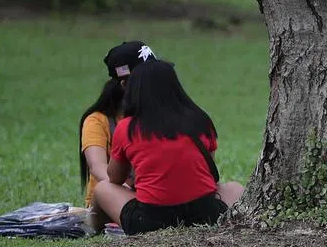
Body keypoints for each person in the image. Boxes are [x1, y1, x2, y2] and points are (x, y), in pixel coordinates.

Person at [89, 60, 244, 235]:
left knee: (102, 188)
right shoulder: (201, 120)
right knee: (234, 188)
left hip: (149, 222)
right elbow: (210, 175)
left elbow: (114, 178)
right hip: (206, 214)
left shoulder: (127, 127)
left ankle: (94, 230)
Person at [78, 40, 156, 206]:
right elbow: (97, 166)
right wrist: (128, 188)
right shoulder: (97, 121)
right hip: (112, 201)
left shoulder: (157, 114)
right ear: (125, 83)